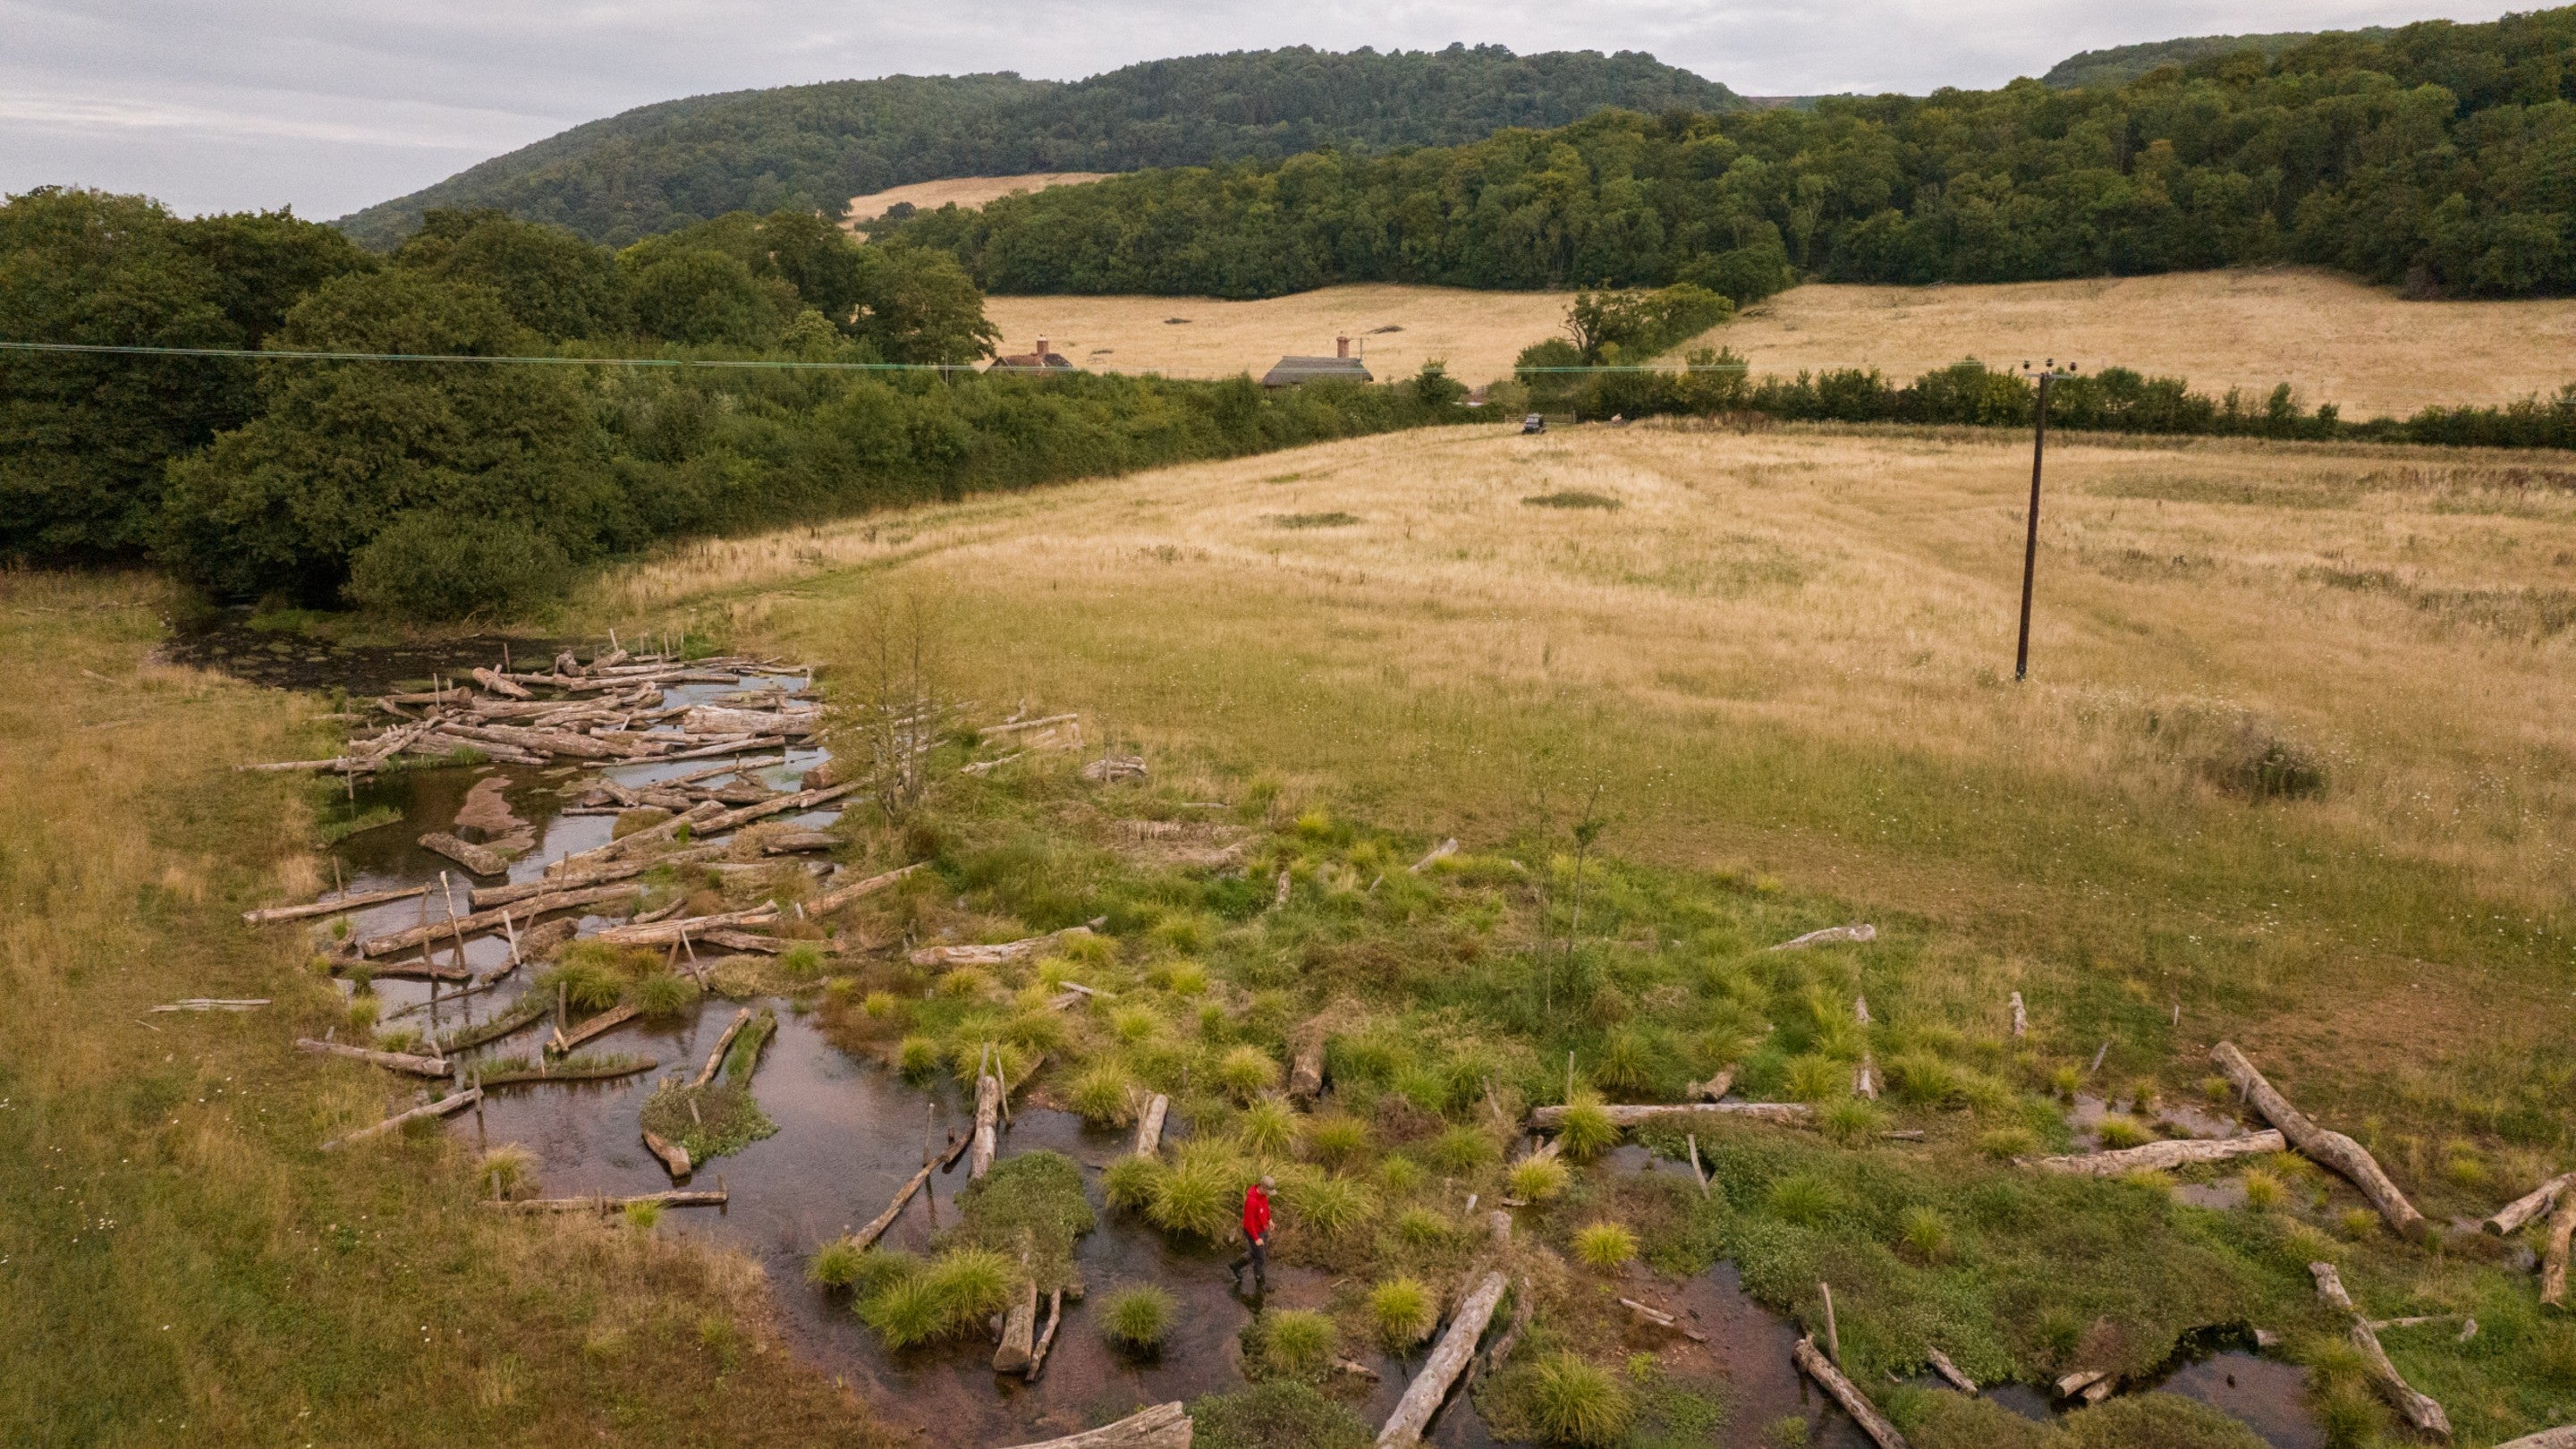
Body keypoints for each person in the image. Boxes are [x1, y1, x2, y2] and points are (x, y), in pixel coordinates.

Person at [1229, 1175, 1274, 1292]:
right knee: (1260, 1258)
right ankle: (1260, 1285)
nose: (1268, 1194)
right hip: (1253, 1232)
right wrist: (1256, 1238)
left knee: (1256, 1253)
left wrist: (1269, 1220)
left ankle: (1235, 1266)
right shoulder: (1251, 1201)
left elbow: (1266, 1208)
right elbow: (1249, 1224)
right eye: (1268, 1191)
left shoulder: (1263, 1196)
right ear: (1262, 1187)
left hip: (1262, 1230)